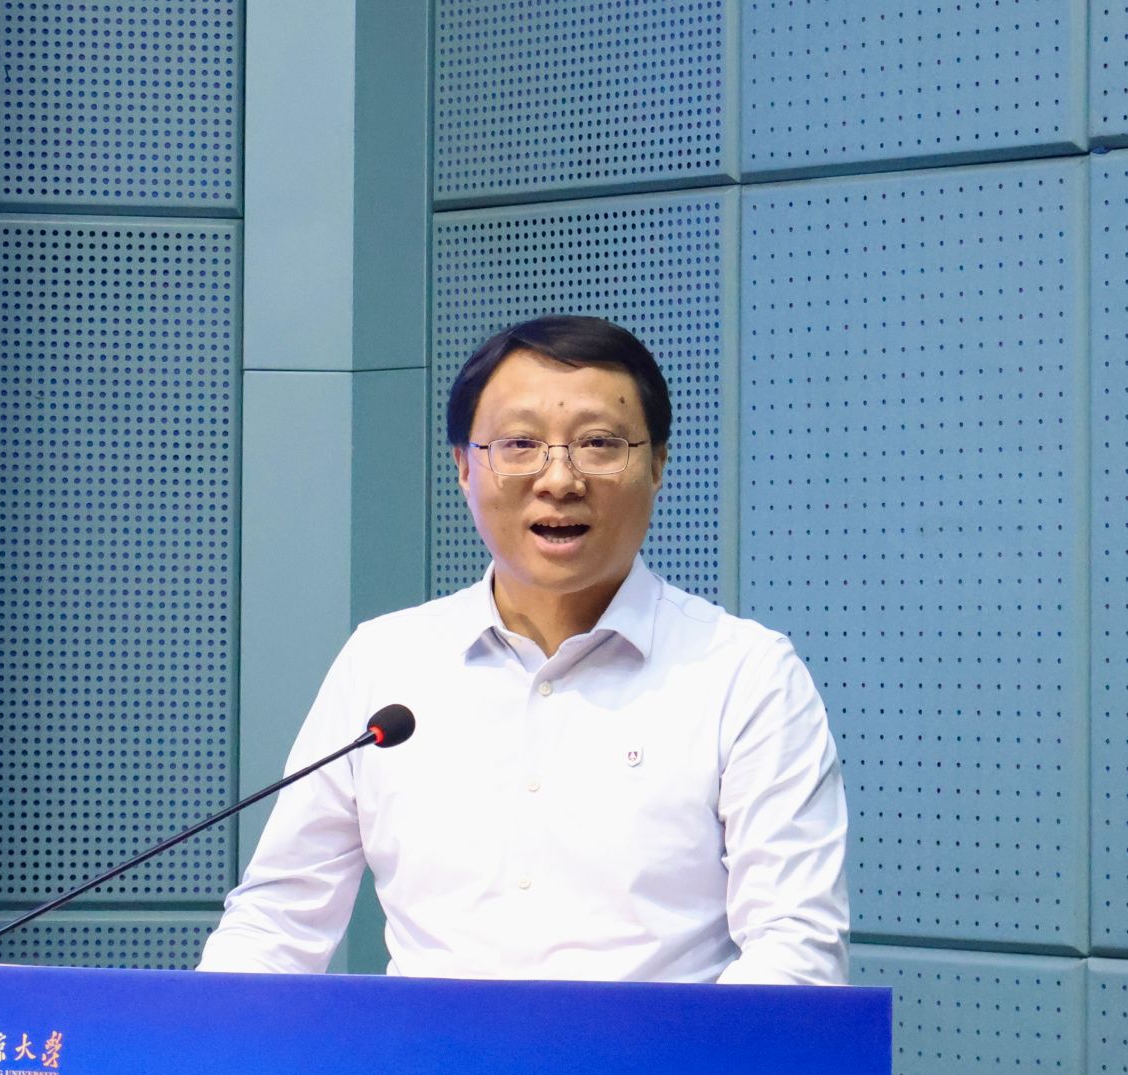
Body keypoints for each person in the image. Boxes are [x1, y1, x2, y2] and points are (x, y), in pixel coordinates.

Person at [197, 315, 848, 984]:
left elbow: (794, 949)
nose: (559, 479)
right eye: (520, 444)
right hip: (428, 1056)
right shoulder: (385, 664)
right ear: (463, 466)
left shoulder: (744, 674)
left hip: (661, 1055)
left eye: (598, 443)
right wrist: (200, 1031)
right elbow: (276, 924)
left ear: (657, 463)